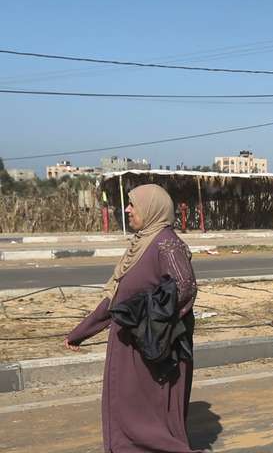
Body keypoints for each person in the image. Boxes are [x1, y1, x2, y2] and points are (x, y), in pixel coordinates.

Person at [64, 184, 199, 453]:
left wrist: (144, 318)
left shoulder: (166, 244)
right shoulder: (141, 244)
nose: (127, 209)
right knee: (127, 406)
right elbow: (115, 300)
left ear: (151, 209)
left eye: (132, 205)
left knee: (151, 416)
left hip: (155, 349)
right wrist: (80, 332)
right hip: (132, 347)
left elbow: (185, 287)